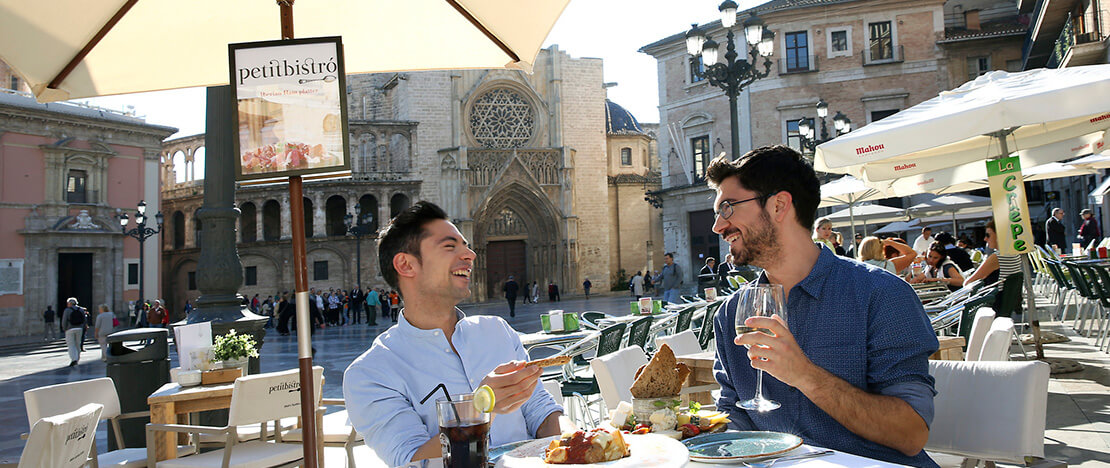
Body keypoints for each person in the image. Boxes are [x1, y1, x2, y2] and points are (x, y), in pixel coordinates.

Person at [706, 145, 938, 466]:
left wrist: (805, 376)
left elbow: (911, 435)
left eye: (728, 208)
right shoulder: (732, 312)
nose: (718, 226)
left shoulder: (881, 294)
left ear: (779, 205)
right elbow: (734, 412)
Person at [343, 201, 568, 466]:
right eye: (450, 246)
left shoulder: (496, 330)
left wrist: (566, 454)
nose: (471, 254)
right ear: (406, 265)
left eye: (466, 245)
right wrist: (482, 407)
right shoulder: (370, 374)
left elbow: (541, 410)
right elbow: (412, 459)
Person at [61, 298, 86, 367]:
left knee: (71, 344)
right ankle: (77, 358)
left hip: (70, 329)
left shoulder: (67, 310)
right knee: (78, 344)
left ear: (69, 303)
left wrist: (64, 328)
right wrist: (83, 328)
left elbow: (64, 320)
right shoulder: (81, 309)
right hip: (79, 328)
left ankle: (74, 359)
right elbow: (84, 319)